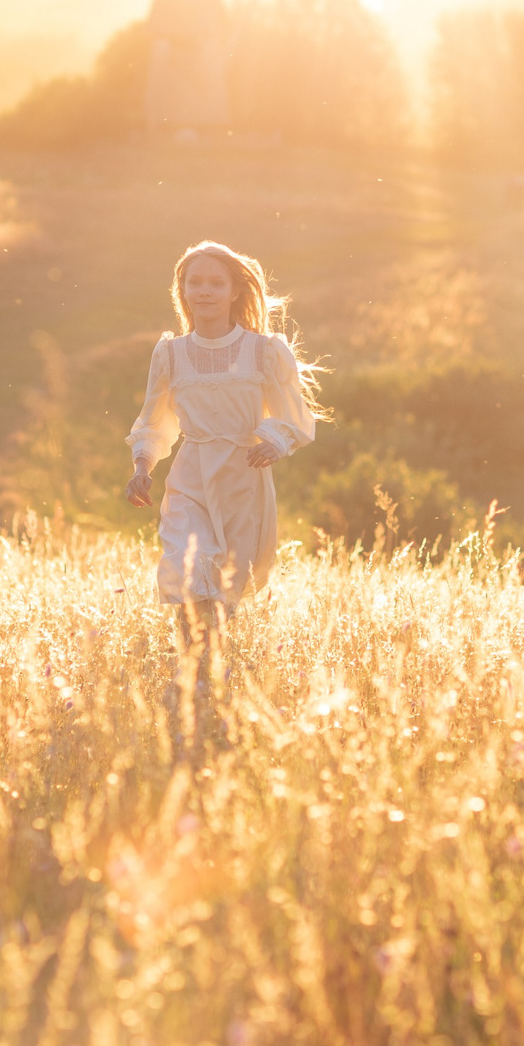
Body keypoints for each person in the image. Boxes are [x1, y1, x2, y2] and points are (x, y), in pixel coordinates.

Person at [124, 241, 323, 718]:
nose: (205, 291)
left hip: (242, 480)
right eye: (195, 282)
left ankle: (208, 680)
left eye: (216, 283)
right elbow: (157, 418)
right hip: (190, 475)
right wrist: (142, 466)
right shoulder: (170, 353)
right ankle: (190, 678)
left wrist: (274, 440)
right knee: (190, 573)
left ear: (236, 292)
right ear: (183, 291)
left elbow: (295, 415)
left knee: (222, 592)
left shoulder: (264, 351)